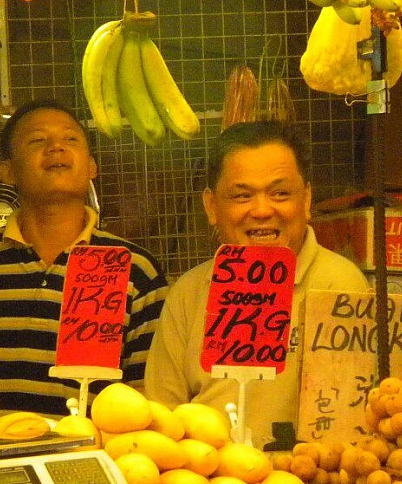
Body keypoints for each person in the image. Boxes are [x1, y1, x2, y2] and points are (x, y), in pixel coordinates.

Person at [0, 99, 169, 417]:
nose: (56, 148)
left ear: (92, 167)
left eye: (70, 138)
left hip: (95, 446)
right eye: (37, 140)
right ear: (7, 171)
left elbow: (144, 393)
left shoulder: (134, 268)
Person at [144, 120, 370, 448]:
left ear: (307, 199)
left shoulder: (343, 286)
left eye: (280, 193)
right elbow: (161, 417)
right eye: (242, 195)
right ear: (211, 206)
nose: (262, 210)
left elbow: (355, 417)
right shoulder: (188, 293)